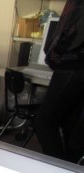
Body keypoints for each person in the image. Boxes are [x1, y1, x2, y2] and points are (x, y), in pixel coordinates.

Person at [35, 0, 84, 163]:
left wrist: (55, 53)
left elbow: (74, 34)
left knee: (44, 122)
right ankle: (72, 171)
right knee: (71, 125)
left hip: (72, 63)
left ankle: (59, 170)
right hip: (77, 64)